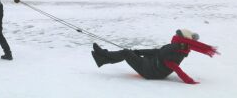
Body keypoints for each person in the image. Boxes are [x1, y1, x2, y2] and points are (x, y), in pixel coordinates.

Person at [91, 29, 219, 84]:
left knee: (125, 53)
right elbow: (157, 52)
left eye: (177, 34)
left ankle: (103, 56)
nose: (175, 35)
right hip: (150, 66)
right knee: (128, 53)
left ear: (181, 38)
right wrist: (138, 52)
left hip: (150, 72)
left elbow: (173, 65)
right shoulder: (176, 47)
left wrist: (188, 80)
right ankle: (102, 57)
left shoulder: (176, 50)